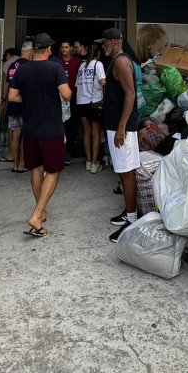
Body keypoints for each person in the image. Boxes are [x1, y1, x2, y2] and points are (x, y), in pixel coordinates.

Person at [7, 33, 72, 238]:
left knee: (36, 169)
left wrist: (31, 98)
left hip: (30, 129)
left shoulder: (22, 68)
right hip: (51, 128)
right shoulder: (55, 67)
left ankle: (41, 211)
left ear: (34, 49)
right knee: (53, 172)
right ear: (48, 49)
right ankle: (36, 215)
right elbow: (66, 94)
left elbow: (12, 96)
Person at [97, 28, 140, 242]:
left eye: (104, 42)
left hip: (122, 127)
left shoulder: (122, 62)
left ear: (113, 41)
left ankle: (132, 220)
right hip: (115, 125)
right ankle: (128, 212)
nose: (102, 45)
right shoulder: (116, 61)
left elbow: (130, 93)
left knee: (126, 172)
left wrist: (122, 127)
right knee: (123, 172)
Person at [75, 44, 107, 174]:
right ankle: (95, 163)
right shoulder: (98, 64)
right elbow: (103, 81)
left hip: (81, 102)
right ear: (98, 54)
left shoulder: (81, 66)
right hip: (94, 102)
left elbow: (77, 85)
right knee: (96, 133)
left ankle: (88, 161)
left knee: (86, 132)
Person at [1, 42, 32, 172]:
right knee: (24, 136)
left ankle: (14, 164)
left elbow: (7, 85)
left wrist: (4, 100)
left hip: (12, 104)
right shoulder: (28, 65)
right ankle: (22, 163)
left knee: (14, 134)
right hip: (23, 104)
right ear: (30, 53)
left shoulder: (13, 65)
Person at [56, 40, 82, 163]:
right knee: (61, 126)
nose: (64, 49)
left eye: (66, 47)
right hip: (60, 99)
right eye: (62, 47)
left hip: (74, 98)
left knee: (72, 126)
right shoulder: (57, 62)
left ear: (71, 48)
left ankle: (69, 152)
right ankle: (60, 151)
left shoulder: (77, 61)